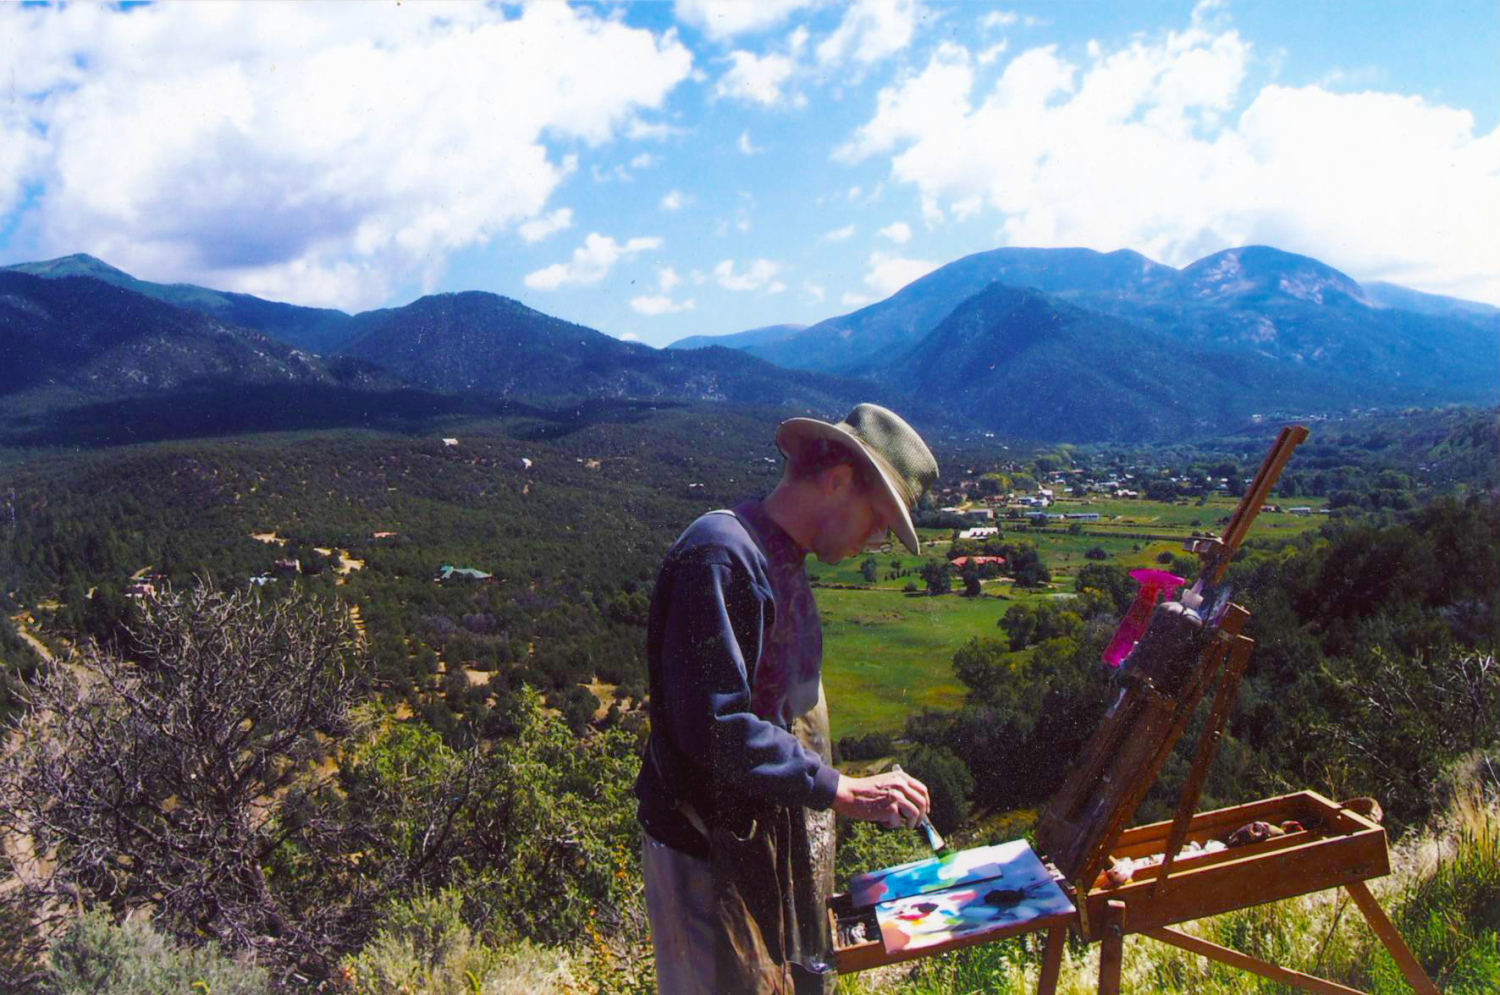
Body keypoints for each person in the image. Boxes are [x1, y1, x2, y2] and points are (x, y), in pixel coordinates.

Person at [634, 402, 940, 994]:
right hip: (706, 859)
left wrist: (839, 788)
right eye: (879, 520)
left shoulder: (780, 559)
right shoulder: (721, 556)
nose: (876, 540)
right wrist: (840, 789)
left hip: (754, 847)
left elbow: (781, 714)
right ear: (838, 481)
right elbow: (713, 724)